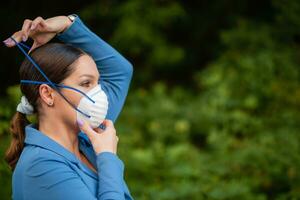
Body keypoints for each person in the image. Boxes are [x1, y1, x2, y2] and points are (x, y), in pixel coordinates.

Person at [3, 14, 134, 200]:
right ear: (48, 94)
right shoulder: (41, 167)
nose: (100, 95)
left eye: (97, 84)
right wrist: (106, 157)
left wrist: (66, 24)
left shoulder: (85, 138)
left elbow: (120, 72)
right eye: (86, 83)